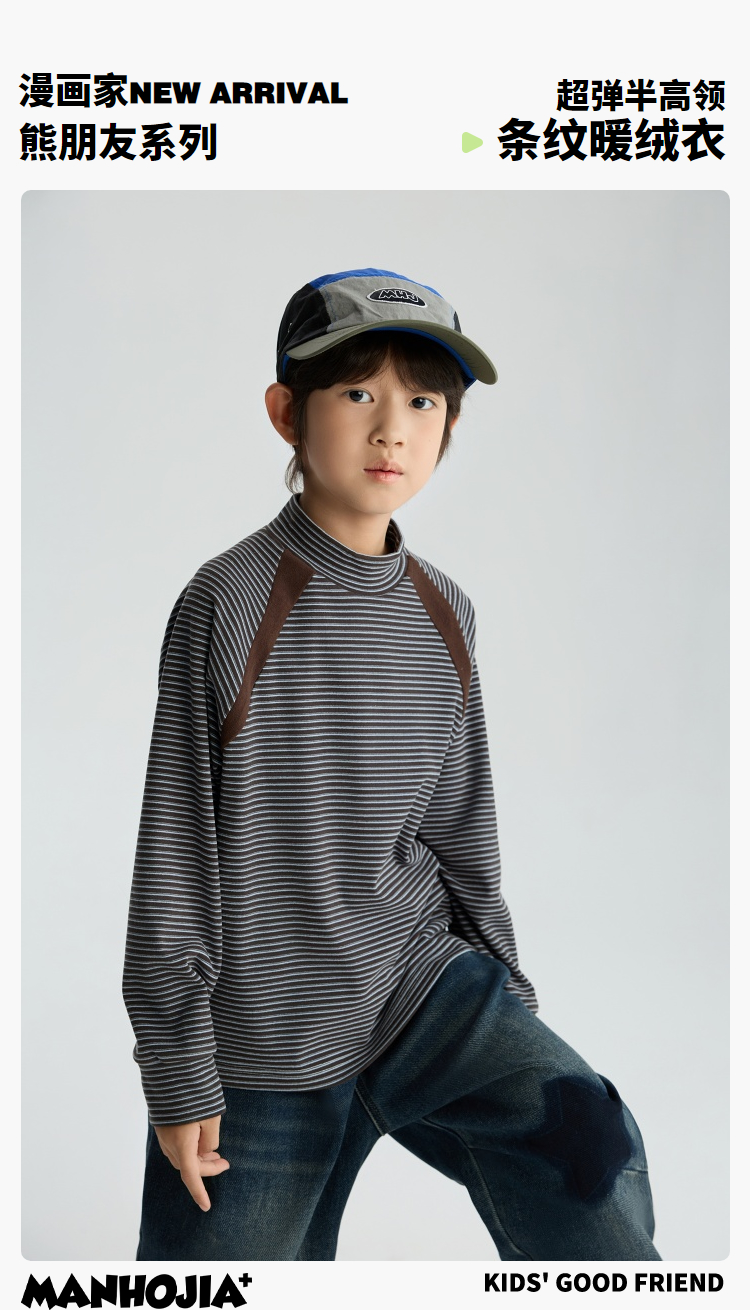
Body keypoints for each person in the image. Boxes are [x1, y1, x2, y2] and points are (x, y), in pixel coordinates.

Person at [123, 268, 660, 1261]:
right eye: (358, 392)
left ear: (449, 427)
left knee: (593, 1149)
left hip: (421, 988)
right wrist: (177, 1063)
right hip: (267, 1029)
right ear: (287, 412)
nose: (391, 430)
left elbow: (461, 825)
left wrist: (505, 1001)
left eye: (423, 402)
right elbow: (176, 855)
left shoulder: (445, 609)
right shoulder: (226, 602)